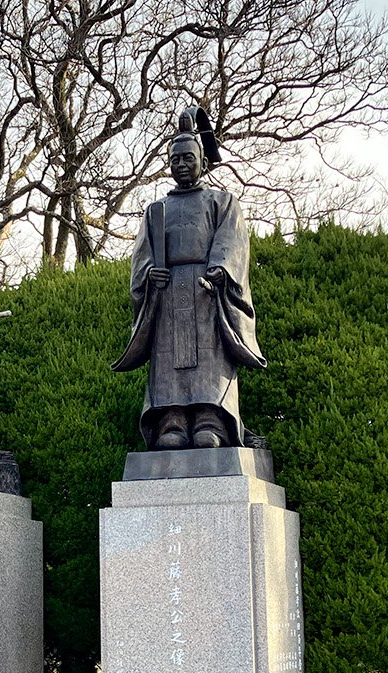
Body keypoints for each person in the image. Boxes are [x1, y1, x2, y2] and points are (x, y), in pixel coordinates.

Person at [112, 107, 267, 449]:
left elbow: (233, 243)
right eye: (175, 159)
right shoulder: (157, 210)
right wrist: (148, 274)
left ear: (202, 161)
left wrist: (220, 270)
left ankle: (209, 420)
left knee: (209, 358)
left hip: (206, 292)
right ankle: (172, 421)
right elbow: (142, 255)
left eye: (188, 158)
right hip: (166, 294)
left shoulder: (222, 202)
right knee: (167, 360)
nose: (181, 165)